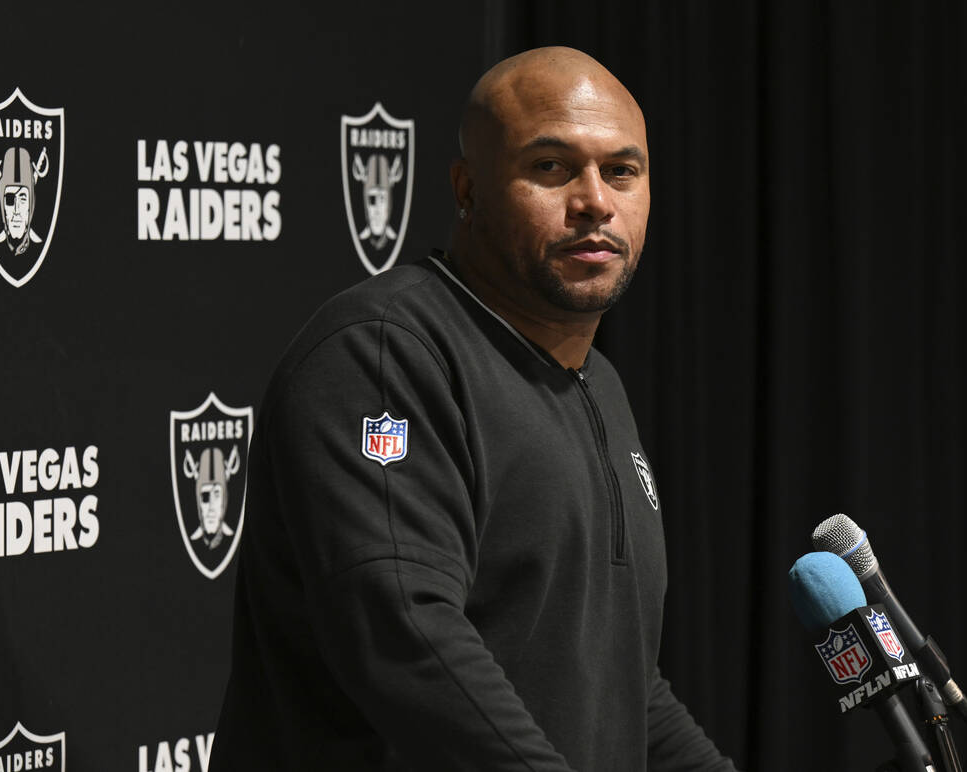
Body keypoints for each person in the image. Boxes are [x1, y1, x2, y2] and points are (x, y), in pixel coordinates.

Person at [210, 46, 741, 771]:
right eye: (551, 167)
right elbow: (407, 636)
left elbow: (623, 688)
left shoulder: (600, 385)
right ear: (467, 189)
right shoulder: (384, 353)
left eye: (622, 171)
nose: (594, 201)